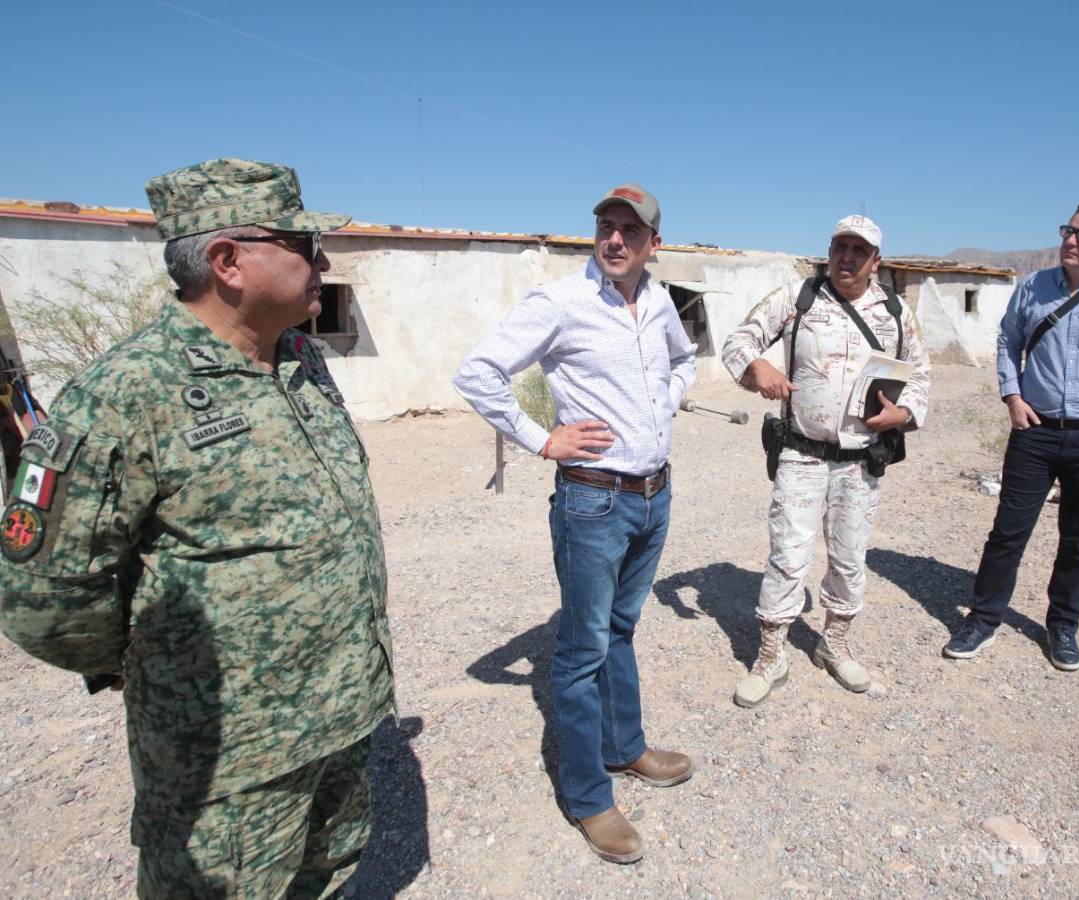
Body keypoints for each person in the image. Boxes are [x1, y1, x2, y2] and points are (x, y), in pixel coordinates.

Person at [0, 158, 395, 897]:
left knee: (331, 876)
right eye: (304, 244)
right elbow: (40, 593)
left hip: (342, 714)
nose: (324, 262)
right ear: (228, 262)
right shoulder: (127, 392)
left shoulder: (300, 358)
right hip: (230, 758)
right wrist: (149, 660)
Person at [453, 183, 696, 864]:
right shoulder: (561, 303)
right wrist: (542, 439)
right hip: (593, 500)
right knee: (582, 649)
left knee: (621, 629)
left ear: (654, 243)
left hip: (654, 495)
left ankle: (627, 747)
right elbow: (477, 374)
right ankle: (589, 796)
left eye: (630, 230)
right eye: (605, 226)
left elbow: (685, 361)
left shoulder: (657, 300)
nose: (614, 239)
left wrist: (669, 402)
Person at [943, 201, 1079, 670]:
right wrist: (1011, 394)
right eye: (1069, 230)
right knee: (1007, 532)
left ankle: (1063, 627)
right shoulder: (1033, 287)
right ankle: (982, 620)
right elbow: (1009, 341)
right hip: (1036, 430)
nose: (1071, 240)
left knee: (1078, 538)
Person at [722, 215, 931, 706]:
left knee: (849, 557)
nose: (848, 258)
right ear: (829, 249)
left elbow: (921, 375)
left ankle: (833, 645)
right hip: (802, 453)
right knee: (788, 555)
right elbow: (739, 341)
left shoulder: (896, 312)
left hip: (861, 461)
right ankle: (771, 654)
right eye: (841, 246)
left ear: (875, 261)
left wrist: (904, 412)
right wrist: (758, 368)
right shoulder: (798, 299)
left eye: (860, 250)